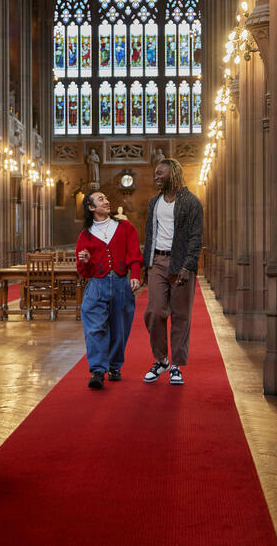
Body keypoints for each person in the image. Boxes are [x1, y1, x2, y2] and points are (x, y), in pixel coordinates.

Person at [142, 158, 203, 385]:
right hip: (157, 261)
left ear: (173, 174)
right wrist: (145, 265)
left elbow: (196, 237)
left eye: (160, 173)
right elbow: (149, 233)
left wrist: (187, 266)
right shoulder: (154, 202)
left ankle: (176, 365)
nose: (155, 176)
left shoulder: (191, 202)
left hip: (181, 263)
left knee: (180, 316)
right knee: (155, 312)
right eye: (155, 173)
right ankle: (161, 359)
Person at [76, 191, 143, 389]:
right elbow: (83, 271)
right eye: (100, 199)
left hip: (121, 283)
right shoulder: (85, 234)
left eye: (106, 198)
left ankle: (115, 366)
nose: (106, 201)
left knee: (119, 328)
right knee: (95, 328)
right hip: (97, 284)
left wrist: (136, 276)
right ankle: (97, 370)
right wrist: (85, 262)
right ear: (90, 207)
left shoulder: (124, 227)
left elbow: (134, 254)